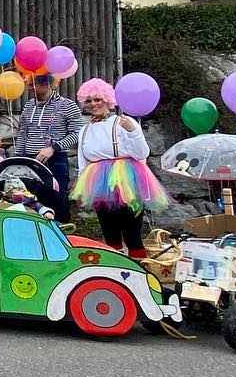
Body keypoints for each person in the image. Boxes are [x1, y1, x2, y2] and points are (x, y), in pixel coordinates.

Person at [70, 79, 171, 259]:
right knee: (110, 232)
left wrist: (132, 131)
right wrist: (82, 186)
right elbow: (82, 161)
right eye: (89, 101)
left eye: (97, 99)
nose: (93, 104)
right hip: (98, 184)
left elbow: (142, 153)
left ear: (107, 100)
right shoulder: (84, 130)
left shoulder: (123, 122)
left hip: (126, 180)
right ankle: (116, 268)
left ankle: (140, 271)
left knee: (132, 233)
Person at [11, 73, 84, 223]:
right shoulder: (29, 105)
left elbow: (77, 133)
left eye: (33, 85)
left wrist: (53, 148)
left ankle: (60, 233)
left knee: (58, 200)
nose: (29, 88)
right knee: (30, 198)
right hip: (29, 161)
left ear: (47, 85)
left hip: (55, 161)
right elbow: (23, 132)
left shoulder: (68, 106)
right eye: (29, 84)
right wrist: (17, 158)